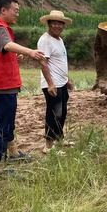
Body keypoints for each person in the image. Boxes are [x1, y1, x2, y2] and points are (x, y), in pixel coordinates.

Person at [0, 0, 44, 162]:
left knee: (7, 122)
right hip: (2, 86)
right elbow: (7, 45)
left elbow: (1, 51)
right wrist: (30, 52)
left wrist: (13, 57)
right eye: (15, 11)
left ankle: (13, 153)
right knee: (3, 125)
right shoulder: (0, 28)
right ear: (3, 10)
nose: (17, 14)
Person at [37, 10, 74, 153]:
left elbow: (60, 62)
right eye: (54, 23)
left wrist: (67, 79)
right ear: (49, 24)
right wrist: (50, 84)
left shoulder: (59, 40)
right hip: (52, 84)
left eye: (60, 23)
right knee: (53, 113)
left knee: (62, 112)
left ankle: (59, 139)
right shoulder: (45, 40)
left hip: (61, 82)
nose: (58, 26)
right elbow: (43, 63)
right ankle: (48, 145)